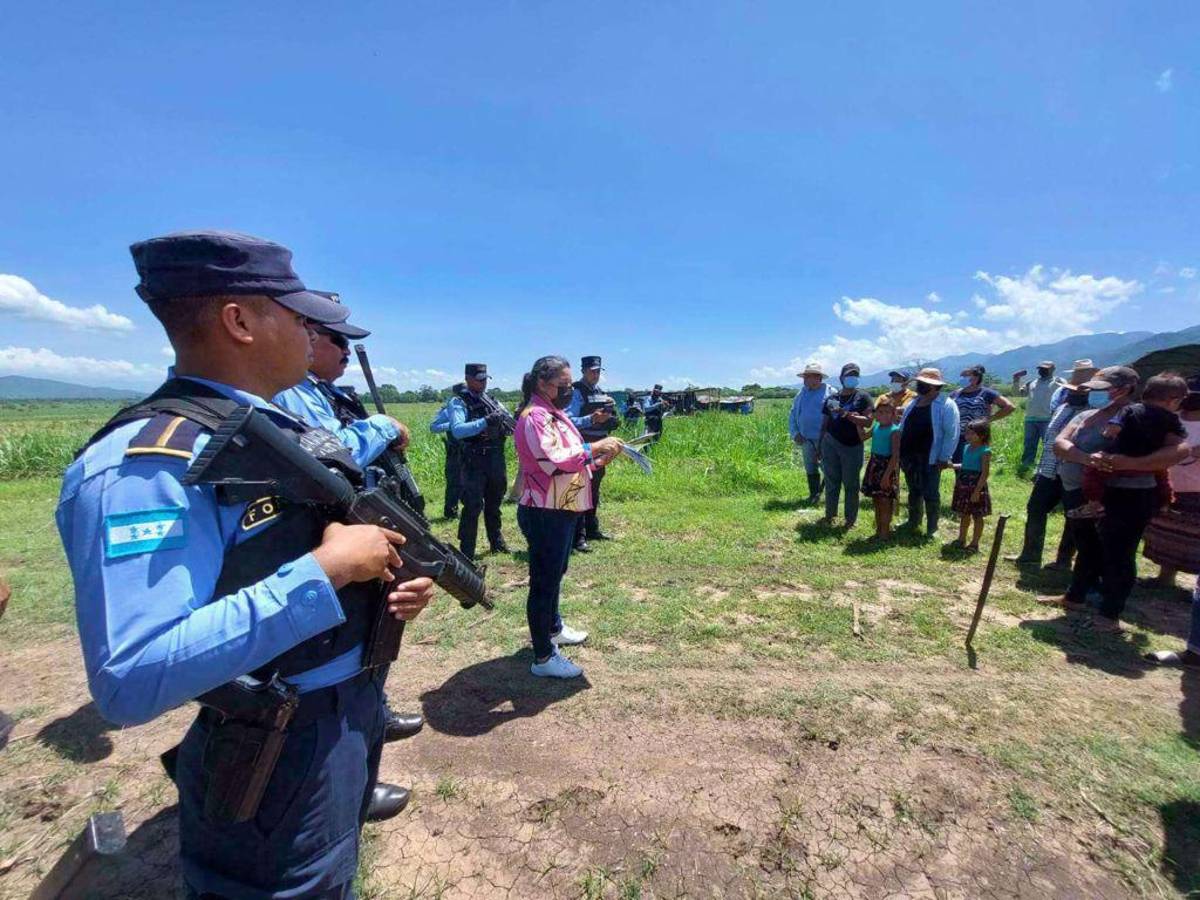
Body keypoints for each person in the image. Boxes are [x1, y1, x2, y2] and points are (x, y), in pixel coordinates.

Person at [56, 231, 436, 898]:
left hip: (345, 705)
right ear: (239, 322)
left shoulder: (274, 432)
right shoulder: (147, 467)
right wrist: (327, 572)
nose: (311, 334)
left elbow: (275, 552)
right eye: (297, 317)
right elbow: (130, 678)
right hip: (275, 736)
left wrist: (382, 583)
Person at [273, 309, 426, 751]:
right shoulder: (293, 393)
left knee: (372, 624)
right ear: (308, 336)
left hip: (355, 523)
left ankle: (370, 717)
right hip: (326, 532)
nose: (345, 352)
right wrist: (382, 425)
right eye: (337, 341)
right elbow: (335, 456)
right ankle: (350, 734)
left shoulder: (327, 393)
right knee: (335, 643)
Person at [1047, 366, 1189, 631]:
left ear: (1125, 389)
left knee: (1118, 554)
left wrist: (1129, 463)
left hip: (1127, 495)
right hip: (1082, 491)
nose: (1096, 394)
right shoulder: (1088, 415)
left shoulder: (1146, 417)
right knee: (1087, 547)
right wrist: (1087, 459)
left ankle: (1109, 614)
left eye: (1103, 390)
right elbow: (1060, 444)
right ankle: (1075, 597)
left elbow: (1179, 450)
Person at [513, 356, 624, 678]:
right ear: (542, 383)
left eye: (568, 385)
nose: (568, 391)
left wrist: (599, 461)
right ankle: (543, 657)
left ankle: (553, 628)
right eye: (562, 385)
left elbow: (572, 463)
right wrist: (595, 447)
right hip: (544, 511)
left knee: (555, 573)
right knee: (544, 583)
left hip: (562, 506)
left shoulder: (553, 413)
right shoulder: (535, 417)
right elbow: (554, 460)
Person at [1076, 372, 1188, 517]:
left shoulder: (1130, 410)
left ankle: (1094, 504)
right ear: (1173, 401)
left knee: (1093, 473)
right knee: (1163, 480)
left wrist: (1107, 434)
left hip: (1117, 458)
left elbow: (1113, 428)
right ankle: (1165, 505)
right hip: (1151, 461)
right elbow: (1179, 438)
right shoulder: (1172, 418)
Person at [1006, 384, 1090, 568]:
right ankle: (1030, 554)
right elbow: (1049, 441)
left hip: (1074, 474)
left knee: (1073, 515)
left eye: (1079, 391)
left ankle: (1063, 560)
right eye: (1072, 390)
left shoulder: (1093, 414)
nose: (1074, 393)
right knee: (1035, 508)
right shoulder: (1061, 408)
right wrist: (1041, 467)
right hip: (1049, 471)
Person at [447, 363, 511, 559]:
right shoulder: (458, 402)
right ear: (468, 379)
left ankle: (497, 542)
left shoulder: (492, 401)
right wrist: (485, 422)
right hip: (474, 460)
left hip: (496, 458)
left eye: (485, 379)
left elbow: (510, 422)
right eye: (479, 379)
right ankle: (467, 550)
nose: (483, 383)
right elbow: (458, 430)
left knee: (495, 502)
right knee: (473, 505)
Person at [1144, 377, 1200, 587]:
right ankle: (1165, 577)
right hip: (1167, 483)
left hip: (1196, 489)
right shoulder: (1172, 418)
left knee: (1194, 536)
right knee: (1167, 533)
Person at [897, 368, 961, 539]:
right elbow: (903, 426)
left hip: (931, 456)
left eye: (923, 383)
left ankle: (932, 528)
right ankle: (913, 521)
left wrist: (944, 457)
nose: (919, 385)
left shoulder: (947, 405)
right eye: (919, 382)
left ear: (934, 386)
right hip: (909, 454)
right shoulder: (913, 402)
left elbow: (951, 434)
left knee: (931, 493)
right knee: (913, 490)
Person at [567, 355, 618, 553]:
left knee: (594, 490)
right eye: (592, 371)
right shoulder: (576, 392)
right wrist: (592, 418)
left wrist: (612, 419)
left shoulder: (601, 393)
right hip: (584, 447)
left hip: (601, 446)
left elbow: (610, 419)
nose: (595, 375)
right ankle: (578, 537)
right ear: (583, 371)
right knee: (581, 490)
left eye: (598, 371)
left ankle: (592, 529)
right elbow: (569, 420)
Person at [818, 363, 873, 528]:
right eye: (849, 375)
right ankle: (830, 515)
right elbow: (824, 424)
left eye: (855, 375)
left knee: (851, 484)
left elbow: (868, 421)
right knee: (831, 481)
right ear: (841, 378)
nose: (852, 378)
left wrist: (847, 414)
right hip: (830, 443)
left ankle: (850, 519)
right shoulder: (832, 398)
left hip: (852, 445)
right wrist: (819, 446)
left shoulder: (863, 397)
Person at [789, 362, 834, 503]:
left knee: (829, 468)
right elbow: (792, 414)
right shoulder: (801, 393)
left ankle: (830, 496)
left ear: (818, 377)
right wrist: (795, 433)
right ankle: (814, 495)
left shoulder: (830, 392)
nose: (805, 379)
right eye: (805, 376)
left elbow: (836, 415)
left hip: (825, 438)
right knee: (810, 467)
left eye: (809, 376)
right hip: (805, 439)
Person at [950, 365, 1014, 461]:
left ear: (977, 377)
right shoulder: (955, 394)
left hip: (977, 436)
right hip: (957, 436)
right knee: (957, 463)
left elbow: (1009, 407)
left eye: (967, 376)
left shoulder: (987, 393)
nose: (964, 378)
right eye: (963, 376)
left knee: (975, 464)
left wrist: (988, 420)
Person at [861, 396, 901, 539]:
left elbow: (895, 456)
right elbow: (863, 437)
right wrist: (858, 422)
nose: (883, 415)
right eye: (880, 412)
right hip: (874, 465)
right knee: (876, 499)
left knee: (885, 501)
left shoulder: (894, 431)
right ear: (876, 414)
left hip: (886, 467)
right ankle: (878, 530)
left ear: (893, 414)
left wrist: (886, 476)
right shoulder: (876, 427)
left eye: (887, 412)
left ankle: (885, 533)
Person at [951, 419, 993, 552]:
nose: (968, 436)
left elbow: (985, 473)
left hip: (976, 486)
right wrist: (951, 465)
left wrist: (977, 491)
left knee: (977, 516)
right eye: (967, 433)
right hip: (964, 484)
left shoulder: (985, 451)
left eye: (972, 433)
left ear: (982, 435)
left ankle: (975, 543)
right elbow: (965, 465)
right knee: (964, 514)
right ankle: (961, 539)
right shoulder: (966, 447)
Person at [430, 383, 467, 519]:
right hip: (455, 451)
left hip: (470, 449)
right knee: (454, 481)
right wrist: (454, 425)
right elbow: (434, 427)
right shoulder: (448, 410)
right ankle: (451, 512)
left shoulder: (470, 406)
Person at [1021, 361, 1058, 467]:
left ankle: (1048, 465)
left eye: (1045, 369)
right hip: (1030, 419)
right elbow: (1019, 393)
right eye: (1041, 368)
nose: (1042, 370)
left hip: (1048, 419)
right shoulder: (1032, 382)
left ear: (1052, 369)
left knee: (1048, 445)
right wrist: (1016, 381)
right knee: (1029, 444)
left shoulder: (1058, 382)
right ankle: (1027, 465)